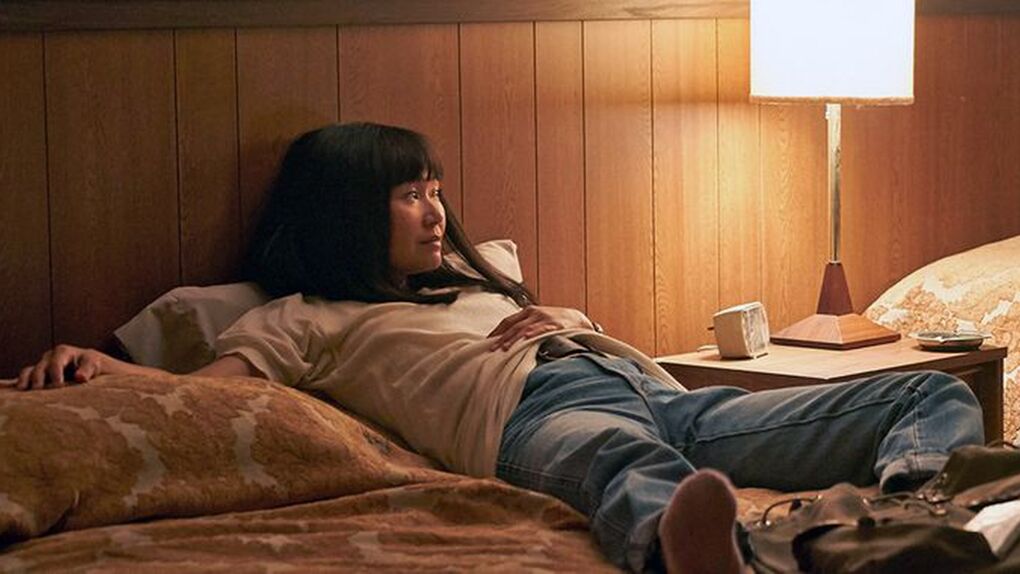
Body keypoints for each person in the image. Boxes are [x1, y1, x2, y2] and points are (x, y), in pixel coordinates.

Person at [11, 122, 985, 574]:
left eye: (436, 190)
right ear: (348, 212)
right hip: (533, 419)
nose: (435, 211)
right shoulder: (307, 316)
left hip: (653, 389)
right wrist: (95, 364)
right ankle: (700, 558)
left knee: (925, 392)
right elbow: (211, 394)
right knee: (624, 464)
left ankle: (910, 522)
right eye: (409, 194)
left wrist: (562, 321)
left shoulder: (476, 283)